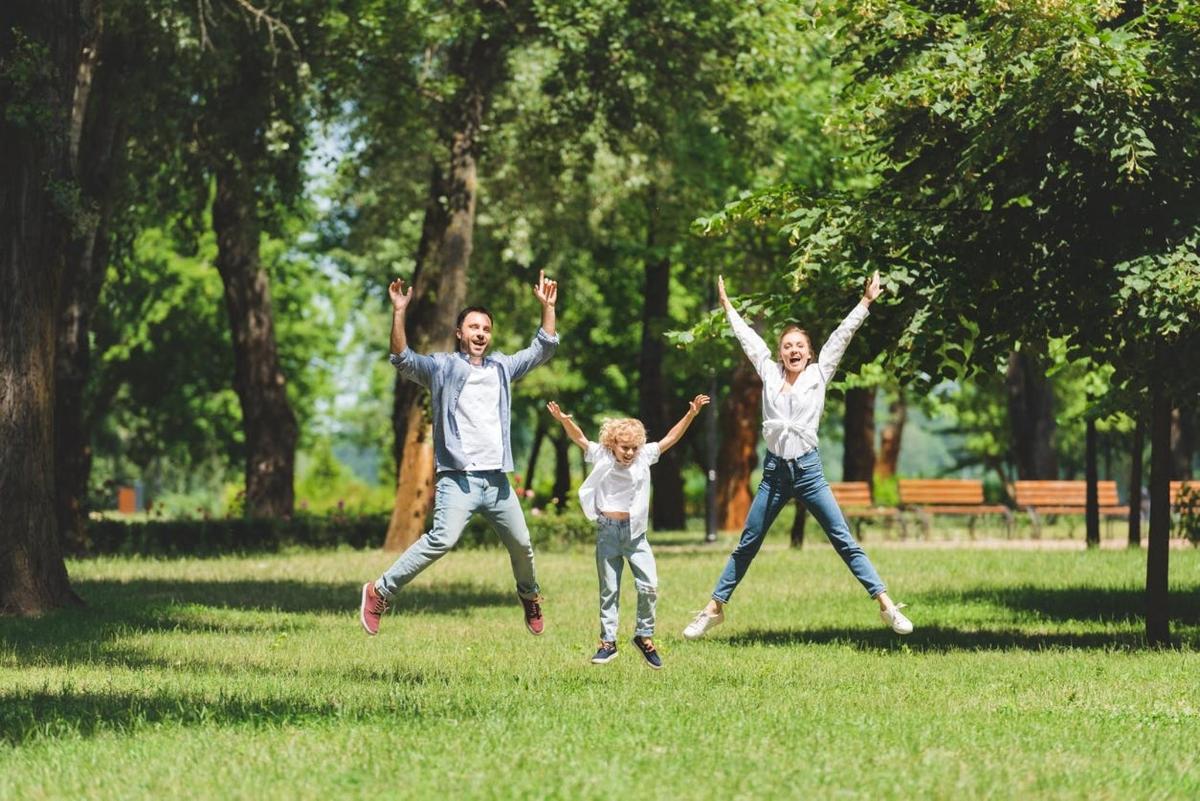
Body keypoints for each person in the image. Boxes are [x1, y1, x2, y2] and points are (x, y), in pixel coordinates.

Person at [683, 271, 913, 640]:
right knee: (748, 542)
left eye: (799, 346)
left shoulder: (819, 374)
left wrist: (866, 302)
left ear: (808, 352)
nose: (793, 351)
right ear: (780, 353)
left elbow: (842, 336)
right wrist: (727, 307)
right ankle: (713, 610)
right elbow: (749, 340)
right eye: (787, 346)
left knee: (843, 539)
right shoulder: (769, 373)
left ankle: (887, 606)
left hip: (808, 471)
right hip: (775, 473)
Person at [360, 271, 560, 637]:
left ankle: (529, 596)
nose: (480, 333)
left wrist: (547, 308)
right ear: (460, 333)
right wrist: (399, 312)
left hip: (497, 480)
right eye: (473, 327)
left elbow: (544, 346)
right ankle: (379, 591)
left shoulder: (502, 367)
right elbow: (401, 358)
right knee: (442, 539)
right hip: (459, 478)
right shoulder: (442, 368)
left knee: (522, 544)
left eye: (485, 328)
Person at [547, 395, 710, 668]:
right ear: (612, 444)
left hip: (635, 535)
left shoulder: (644, 456)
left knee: (649, 586)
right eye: (625, 447)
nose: (630, 453)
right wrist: (564, 422)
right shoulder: (602, 454)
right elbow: (580, 439)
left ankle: (644, 636)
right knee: (609, 590)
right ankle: (607, 642)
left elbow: (670, 439)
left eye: (634, 447)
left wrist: (690, 415)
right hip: (608, 533)